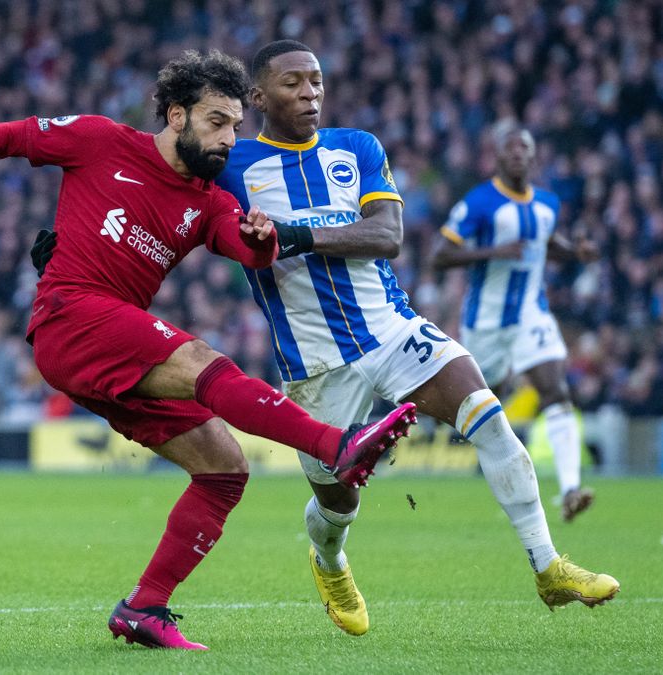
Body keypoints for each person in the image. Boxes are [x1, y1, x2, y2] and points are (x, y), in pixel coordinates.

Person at [0, 49, 417, 651]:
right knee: (204, 363)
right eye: (216, 122)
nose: (230, 138)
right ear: (176, 116)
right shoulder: (100, 141)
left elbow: (247, 250)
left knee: (224, 468)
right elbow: (3, 136)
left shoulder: (211, 201)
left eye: (235, 125)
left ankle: (145, 608)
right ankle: (335, 445)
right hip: (70, 317)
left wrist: (263, 242)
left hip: (107, 349)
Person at [219, 40, 619, 634]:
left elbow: (388, 234)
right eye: (292, 84)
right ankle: (329, 560)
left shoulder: (356, 149)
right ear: (257, 97)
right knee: (338, 503)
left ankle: (547, 564)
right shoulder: (232, 166)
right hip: (314, 359)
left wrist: (294, 234)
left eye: (317, 81)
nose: (310, 93)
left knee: (489, 416)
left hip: (392, 328)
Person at [430, 121, 600, 522]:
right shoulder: (479, 203)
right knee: (476, 404)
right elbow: (440, 256)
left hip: (530, 314)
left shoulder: (547, 205)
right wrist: (493, 251)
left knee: (555, 391)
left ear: (534, 156)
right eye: (511, 149)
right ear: (498, 157)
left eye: (525, 148)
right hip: (485, 323)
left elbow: (544, 244)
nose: (519, 154)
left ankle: (571, 489)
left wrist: (575, 252)